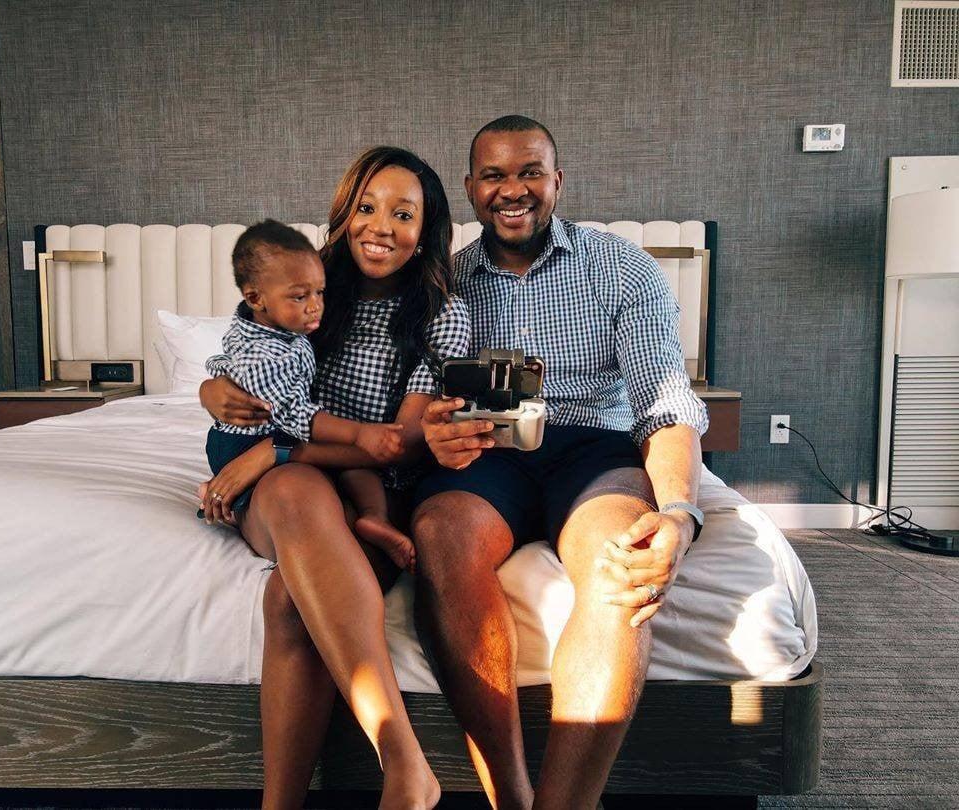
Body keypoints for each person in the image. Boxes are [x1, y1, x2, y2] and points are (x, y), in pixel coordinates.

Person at [411, 115, 710, 810]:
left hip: (591, 448)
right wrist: (432, 429)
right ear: (470, 188)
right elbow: (409, 398)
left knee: (623, 553)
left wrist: (680, 515)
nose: (512, 190)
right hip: (488, 450)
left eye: (529, 172)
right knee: (440, 534)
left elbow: (664, 401)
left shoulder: (621, 266)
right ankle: (511, 797)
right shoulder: (441, 281)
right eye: (493, 175)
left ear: (556, 181)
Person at [197, 146, 470, 810]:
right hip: (295, 480)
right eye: (367, 208)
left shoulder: (442, 314)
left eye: (402, 214)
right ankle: (406, 766)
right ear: (345, 214)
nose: (381, 226)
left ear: (426, 228)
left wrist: (277, 454)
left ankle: (304, 797)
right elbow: (240, 358)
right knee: (291, 492)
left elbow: (403, 444)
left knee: (289, 601)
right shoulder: (306, 283)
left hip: (368, 475)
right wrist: (210, 391)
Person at [202, 218, 414, 570]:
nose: (315, 305)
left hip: (281, 432)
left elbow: (219, 359)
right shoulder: (265, 357)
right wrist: (360, 432)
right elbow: (297, 416)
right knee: (347, 454)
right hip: (245, 443)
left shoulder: (281, 324)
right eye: (300, 296)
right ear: (256, 298)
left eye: (319, 292)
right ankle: (236, 508)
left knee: (354, 466)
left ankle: (374, 518)